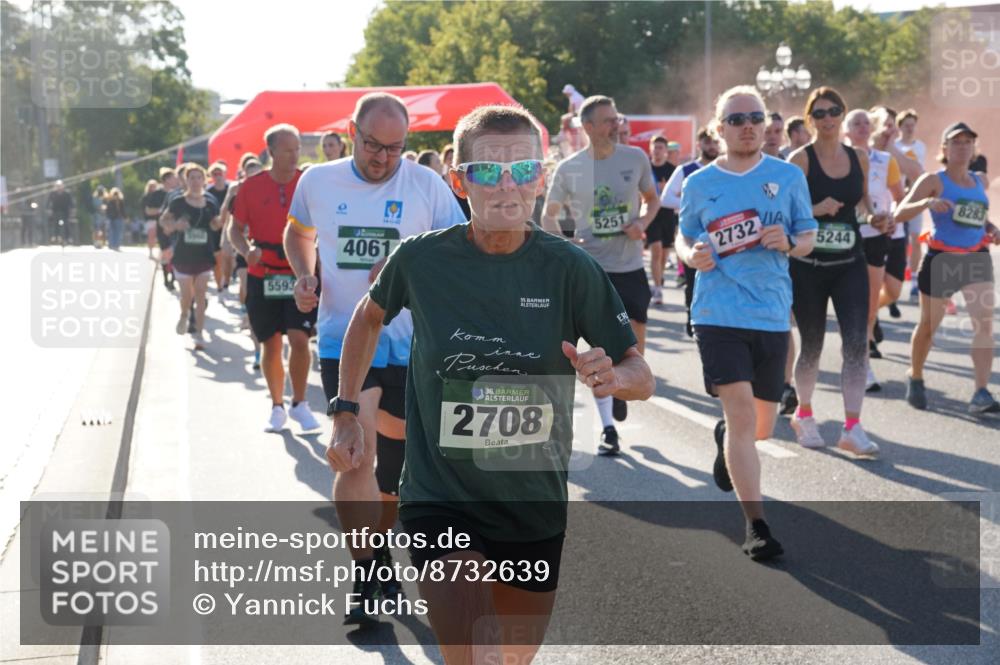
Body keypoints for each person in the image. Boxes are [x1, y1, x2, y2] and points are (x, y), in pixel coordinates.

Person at [333, 103, 653, 662]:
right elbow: (367, 316)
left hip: (532, 504)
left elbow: (641, 373)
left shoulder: (570, 269)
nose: (507, 186)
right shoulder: (422, 259)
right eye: (487, 171)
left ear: (541, 177)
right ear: (460, 181)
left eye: (523, 170)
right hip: (441, 498)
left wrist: (615, 375)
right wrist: (344, 409)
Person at [285, 91, 468, 627]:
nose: (383, 158)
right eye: (372, 145)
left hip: (417, 343)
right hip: (347, 339)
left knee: (401, 467)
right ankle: (367, 575)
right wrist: (304, 272)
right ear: (351, 131)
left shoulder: (426, 184)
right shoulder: (318, 181)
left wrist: (407, 268)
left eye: (395, 148)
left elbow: (462, 250)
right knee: (354, 452)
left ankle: (383, 546)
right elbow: (298, 233)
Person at [679, 85, 817, 561]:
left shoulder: (787, 175)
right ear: (719, 129)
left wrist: (790, 242)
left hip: (772, 313)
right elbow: (685, 238)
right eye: (736, 119)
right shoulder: (699, 183)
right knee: (740, 417)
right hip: (717, 312)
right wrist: (692, 255)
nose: (748, 126)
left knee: (760, 427)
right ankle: (756, 525)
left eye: (755, 117)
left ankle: (726, 443)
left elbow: (809, 235)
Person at [541, 95, 661, 456]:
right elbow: (548, 215)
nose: (616, 125)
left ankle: (621, 385)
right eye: (608, 120)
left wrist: (641, 222)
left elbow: (652, 199)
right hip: (591, 269)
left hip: (629, 266)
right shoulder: (570, 168)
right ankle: (609, 427)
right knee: (598, 350)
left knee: (634, 341)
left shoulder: (635, 158)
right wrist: (566, 244)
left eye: (617, 118)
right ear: (588, 127)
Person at [787, 87, 887, 455]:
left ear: (842, 115)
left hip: (850, 262)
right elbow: (784, 214)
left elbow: (863, 200)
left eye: (834, 111)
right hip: (809, 266)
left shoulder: (858, 156)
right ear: (810, 118)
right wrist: (814, 209)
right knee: (811, 345)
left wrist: (876, 215)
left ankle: (852, 427)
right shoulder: (800, 160)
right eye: (819, 113)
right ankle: (805, 413)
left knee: (857, 344)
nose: (827, 118)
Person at [894, 122, 1000, 413]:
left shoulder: (980, 179)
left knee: (984, 325)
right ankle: (915, 375)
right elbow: (899, 211)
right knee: (929, 326)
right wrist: (929, 201)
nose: (963, 146)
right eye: (956, 142)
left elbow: (978, 218)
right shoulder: (933, 180)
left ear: (974, 148)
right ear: (944, 149)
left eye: (968, 142)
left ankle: (981, 392)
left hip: (976, 257)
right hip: (942, 259)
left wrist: (992, 228)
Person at [229, 123, 322, 432]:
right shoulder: (251, 186)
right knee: (270, 344)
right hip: (263, 274)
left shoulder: (308, 183)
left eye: (298, 149)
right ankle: (277, 406)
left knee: (299, 339)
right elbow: (234, 229)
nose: (295, 155)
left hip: (300, 275)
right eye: (288, 150)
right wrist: (245, 250)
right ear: (271, 152)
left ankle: (300, 402)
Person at [844, 108, 903, 389]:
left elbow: (899, 197)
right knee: (847, 304)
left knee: (868, 305)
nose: (863, 127)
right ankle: (854, 360)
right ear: (847, 129)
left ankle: (863, 365)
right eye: (856, 123)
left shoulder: (885, 159)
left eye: (867, 122)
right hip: (843, 236)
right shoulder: (837, 157)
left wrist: (892, 218)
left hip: (875, 234)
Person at [660, 127, 721, 336]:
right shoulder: (686, 170)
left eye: (714, 142)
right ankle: (692, 320)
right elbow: (665, 199)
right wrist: (694, 205)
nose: (711, 146)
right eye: (707, 142)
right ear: (699, 145)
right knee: (693, 281)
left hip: (722, 239)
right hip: (693, 238)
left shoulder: (727, 169)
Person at [159, 164, 222, 350]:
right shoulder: (178, 201)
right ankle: (184, 314)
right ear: (186, 181)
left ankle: (199, 333)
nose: (195, 181)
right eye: (191, 178)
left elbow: (214, 225)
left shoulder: (210, 202)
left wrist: (221, 221)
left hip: (204, 254)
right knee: (187, 294)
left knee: (201, 294)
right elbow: (164, 221)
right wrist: (175, 224)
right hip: (183, 255)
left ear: (204, 180)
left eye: (198, 177)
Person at [220, 156, 264, 369]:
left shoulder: (271, 191)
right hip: (246, 252)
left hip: (270, 255)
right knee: (248, 289)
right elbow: (228, 221)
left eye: (258, 172)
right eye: (251, 172)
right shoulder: (237, 192)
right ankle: (257, 350)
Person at [646, 135, 678, 304]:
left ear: (666, 151)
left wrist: (666, 191)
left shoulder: (673, 170)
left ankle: (660, 277)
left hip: (668, 215)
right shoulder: (646, 169)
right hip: (652, 215)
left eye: (660, 148)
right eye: (655, 147)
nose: (657, 151)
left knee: (665, 254)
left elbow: (680, 192)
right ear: (650, 149)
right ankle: (657, 289)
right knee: (656, 250)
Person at [207, 162, 232, 301]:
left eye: (220, 173)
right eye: (214, 174)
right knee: (217, 261)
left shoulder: (231, 190)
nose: (217, 176)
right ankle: (220, 287)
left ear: (224, 174)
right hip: (215, 230)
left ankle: (226, 282)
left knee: (228, 259)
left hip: (229, 229)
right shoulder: (208, 193)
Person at [47, 180, 73, 244]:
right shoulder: (52, 193)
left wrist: (72, 209)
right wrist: (48, 209)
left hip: (65, 211)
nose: (59, 187)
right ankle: (55, 236)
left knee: (66, 224)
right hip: (55, 210)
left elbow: (71, 202)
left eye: (60, 186)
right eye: (58, 186)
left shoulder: (67, 193)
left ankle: (68, 237)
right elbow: (48, 202)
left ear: (63, 186)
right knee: (55, 224)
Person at [141, 179, 160, 257]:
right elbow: (144, 209)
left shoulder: (160, 196)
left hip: (159, 219)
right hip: (150, 219)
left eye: (154, 186)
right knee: (151, 236)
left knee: (158, 237)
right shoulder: (145, 197)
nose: (153, 188)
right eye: (151, 186)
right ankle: (150, 252)